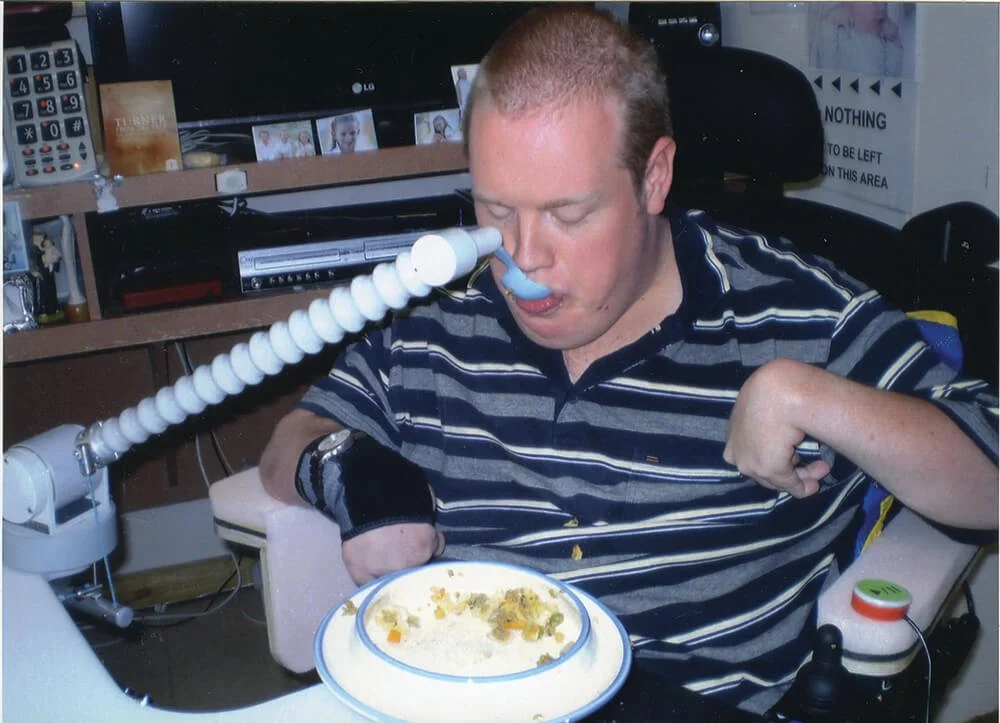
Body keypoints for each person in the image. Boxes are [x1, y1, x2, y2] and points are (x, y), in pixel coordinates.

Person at [260, 6, 998, 716]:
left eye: (567, 214)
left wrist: (809, 397)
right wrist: (346, 465)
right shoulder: (433, 330)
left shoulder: (792, 313)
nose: (521, 258)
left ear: (654, 177)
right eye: (493, 210)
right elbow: (295, 437)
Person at [814, 2, 904, 77]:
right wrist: (830, 22)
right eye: (873, 2)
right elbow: (827, 73)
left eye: (885, 2)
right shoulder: (837, 32)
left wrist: (895, 41)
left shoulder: (883, 38)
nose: (882, 7)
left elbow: (893, 81)